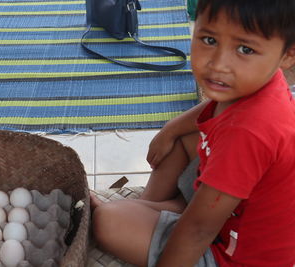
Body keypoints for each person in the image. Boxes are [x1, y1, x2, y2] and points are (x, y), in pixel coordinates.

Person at [90, 0, 295, 266]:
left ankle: (154, 213)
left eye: (245, 49)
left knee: (108, 221)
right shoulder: (258, 81)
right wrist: (170, 129)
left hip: (231, 255)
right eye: (209, 39)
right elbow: (210, 110)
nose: (218, 64)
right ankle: (158, 209)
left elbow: (198, 230)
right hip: (227, 210)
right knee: (183, 137)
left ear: (288, 55)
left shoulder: (250, 133)